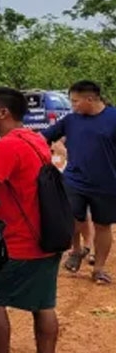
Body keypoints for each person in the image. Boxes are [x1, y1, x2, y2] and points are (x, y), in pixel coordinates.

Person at [0, 88, 62, 353]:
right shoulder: (36, 139)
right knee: (43, 304)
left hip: (18, 241)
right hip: (48, 236)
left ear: (2, 113)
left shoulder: (6, 148)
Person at [42, 80, 116, 285]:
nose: (72, 105)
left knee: (103, 226)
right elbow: (44, 137)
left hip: (107, 184)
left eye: (75, 101)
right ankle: (76, 250)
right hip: (75, 179)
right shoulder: (71, 120)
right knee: (71, 216)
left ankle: (99, 268)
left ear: (90, 99)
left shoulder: (113, 118)